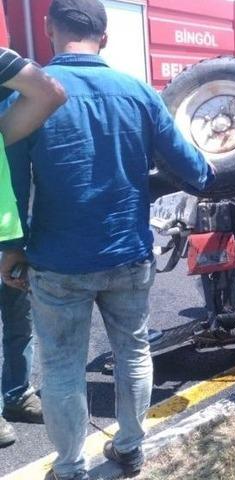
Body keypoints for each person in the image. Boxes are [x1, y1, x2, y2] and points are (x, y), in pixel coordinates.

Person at [0, 1, 213, 479]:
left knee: (61, 368)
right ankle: (131, 448)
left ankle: (71, 468)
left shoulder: (23, 97)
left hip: (57, 260)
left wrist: (11, 251)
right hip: (128, 254)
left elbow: (10, 188)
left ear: (50, 32)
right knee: (133, 352)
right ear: (106, 37)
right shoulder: (138, 92)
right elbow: (193, 170)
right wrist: (214, 165)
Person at [0, 47, 66, 449]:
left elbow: (50, 93)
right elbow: (48, 92)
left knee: (18, 316)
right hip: (8, 223)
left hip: (8, 224)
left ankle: (16, 393)